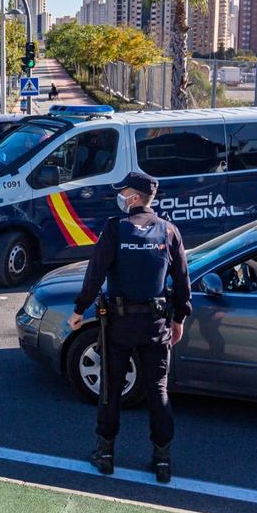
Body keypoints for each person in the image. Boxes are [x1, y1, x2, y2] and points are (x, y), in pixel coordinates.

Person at [68, 172, 191, 483]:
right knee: (158, 391)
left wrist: (79, 309)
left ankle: (105, 454)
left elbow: (95, 273)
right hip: (156, 324)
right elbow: (182, 280)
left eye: (122, 191)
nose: (119, 196)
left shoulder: (114, 228)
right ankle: (162, 460)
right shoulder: (169, 231)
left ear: (134, 197)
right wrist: (179, 318)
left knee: (110, 389)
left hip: (119, 324)